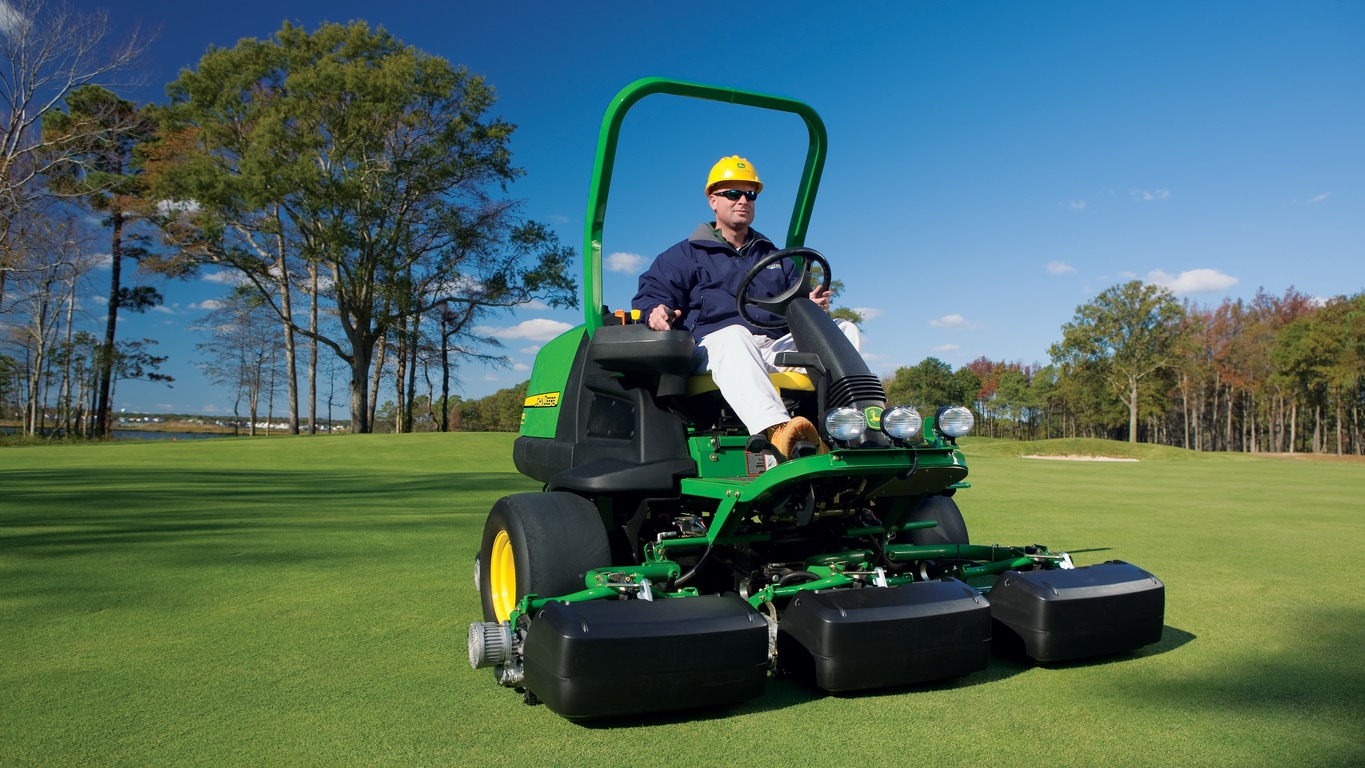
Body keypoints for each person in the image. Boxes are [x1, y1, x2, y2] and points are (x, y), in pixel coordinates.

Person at [632, 155, 863, 458]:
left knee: (842, 328)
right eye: (733, 193)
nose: (743, 200)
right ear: (713, 200)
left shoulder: (774, 257)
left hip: (770, 347)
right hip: (713, 349)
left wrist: (811, 309)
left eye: (749, 194)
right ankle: (779, 430)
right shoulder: (685, 254)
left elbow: (794, 307)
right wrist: (655, 311)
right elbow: (651, 294)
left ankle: (853, 424)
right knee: (735, 335)